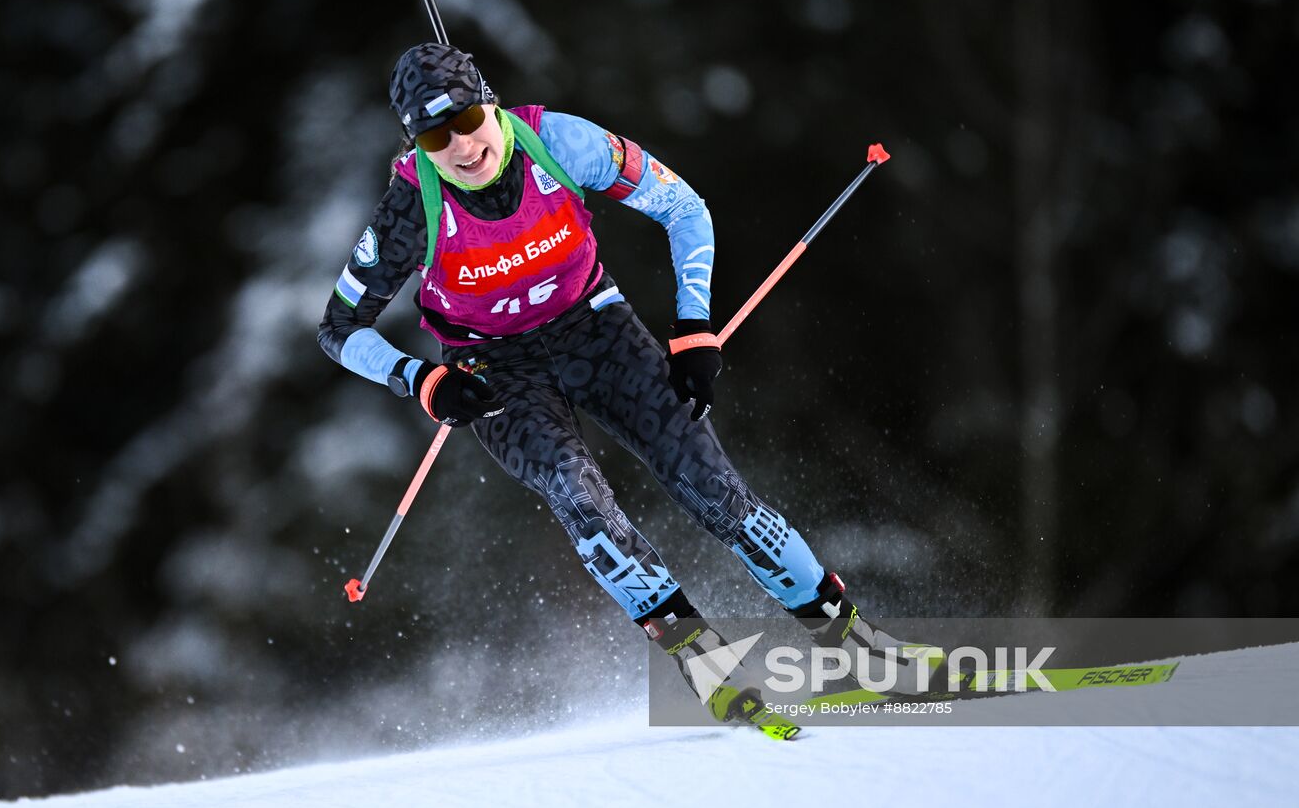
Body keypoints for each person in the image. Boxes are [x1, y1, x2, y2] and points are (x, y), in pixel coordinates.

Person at [318, 43, 936, 730]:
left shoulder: (562, 142)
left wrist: (694, 326)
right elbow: (340, 328)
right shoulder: (409, 210)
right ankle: (709, 669)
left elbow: (684, 208)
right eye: (435, 136)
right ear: (415, 146)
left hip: (595, 329)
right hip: (493, 368)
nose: (461, 146)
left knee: (714, 490)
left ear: (490, 102)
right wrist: (423, 379)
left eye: (466, 120)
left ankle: (854, 645)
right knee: (579, 495)